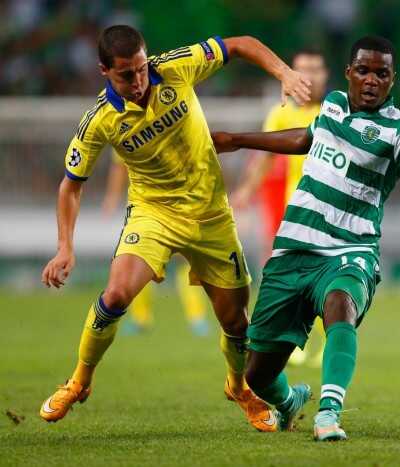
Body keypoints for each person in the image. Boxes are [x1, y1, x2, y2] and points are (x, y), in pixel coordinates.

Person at [39, 24, 311, 433]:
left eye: (141, 69)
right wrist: (65, 246)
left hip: (211, 215)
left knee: (237, 323)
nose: (138, 80)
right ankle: (78, 382)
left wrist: (284, 73)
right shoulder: (99, 121)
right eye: (126, 75)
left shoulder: (175, 67)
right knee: (115, 295)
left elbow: (240, 44)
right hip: (155, 214)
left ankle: (239, 388)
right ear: (104, 71)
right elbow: (70, 186)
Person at [212, 35, 400, 441]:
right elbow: (306, 138)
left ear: (392, 80)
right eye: (364, 71)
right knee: (257, 374)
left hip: (349, 249)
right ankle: (289, 402)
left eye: (382, 74)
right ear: (349, 72)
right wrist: (238, 140)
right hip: (293, 248)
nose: (371, 80)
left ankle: (329, 414)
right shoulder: (333, 104)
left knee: (341, 304)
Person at [231, 49, 329, 367]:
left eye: (315, 69)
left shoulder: (336, 111)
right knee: (293, 279)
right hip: (295, 208)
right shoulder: (281, 113)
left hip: (331, 210)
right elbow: (266, 157)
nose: (309, 76)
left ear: (325, 74)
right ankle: (294, 341)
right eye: (302, 69)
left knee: (326, 278)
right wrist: (246, 190)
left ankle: (329, 342)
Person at [102, 156, 210, 336]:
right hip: (144, 207)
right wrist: (112, 197)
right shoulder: (125, 137)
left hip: (179, 202)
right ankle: (141, 318)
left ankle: (197, 317)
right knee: (140, 259)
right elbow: (119, 165)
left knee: (184, 258)